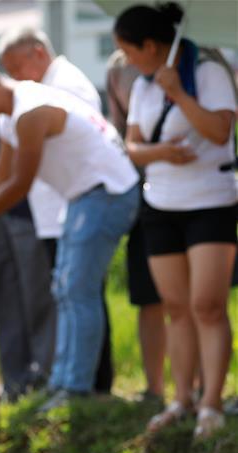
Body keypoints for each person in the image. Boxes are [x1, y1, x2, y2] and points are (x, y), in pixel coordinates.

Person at [0, 56, 140, 407]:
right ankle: (63, 382)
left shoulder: (29, 111)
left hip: (107, 192)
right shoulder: (11, 114)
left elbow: (19, 184)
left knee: (77, 291)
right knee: (64, 288)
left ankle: (77, 389)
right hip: (84, 195)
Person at [114, 3, 237, 439]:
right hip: (160, 205)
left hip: (210, 202)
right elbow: (132, 146)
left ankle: (211, 403)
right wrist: (162, 153)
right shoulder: (144, 86)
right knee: (177, 308)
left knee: (207, 305)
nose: (126, 60)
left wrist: (181, 95)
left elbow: (221, 132)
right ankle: (180, 398)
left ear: (151, 45)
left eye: (129, 50)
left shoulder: (208, 73)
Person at [0, 27, 115, 396]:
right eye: (9, 69)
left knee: (82, 295)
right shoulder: (39, 89)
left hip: (79, 205)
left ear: (38, 53)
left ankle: (95, 383)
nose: (15, 75)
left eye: (17, 65)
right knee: (67, 296)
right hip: (54, 212)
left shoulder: (67, 85)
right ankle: (74, 380)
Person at [106, 48, 167, 402]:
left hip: (199, 192)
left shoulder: (199, 55)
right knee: (148, 295)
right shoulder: (119, 67)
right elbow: (120, 134)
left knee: (200, 300)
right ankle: (155, 388)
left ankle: (208, 389)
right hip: (144, 190)